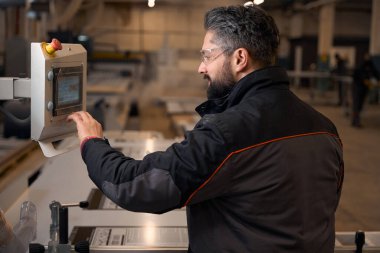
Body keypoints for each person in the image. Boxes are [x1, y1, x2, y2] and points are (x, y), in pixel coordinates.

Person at [68, 4, 344, 252]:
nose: (201, 68)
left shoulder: (229, 133)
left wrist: (93, 143)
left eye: (208, 56)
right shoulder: (325, 128)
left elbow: (135, 186)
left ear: (239, 58)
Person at [351, 55, 380, 128]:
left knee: (359, 106)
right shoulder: (360, 67)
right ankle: (355, 121)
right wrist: (363, 80)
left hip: (364, 89)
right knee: (356, 105)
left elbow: (376, 74)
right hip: (357, 88)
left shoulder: (371, 67)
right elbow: (356, 76)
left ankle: (355, 120)